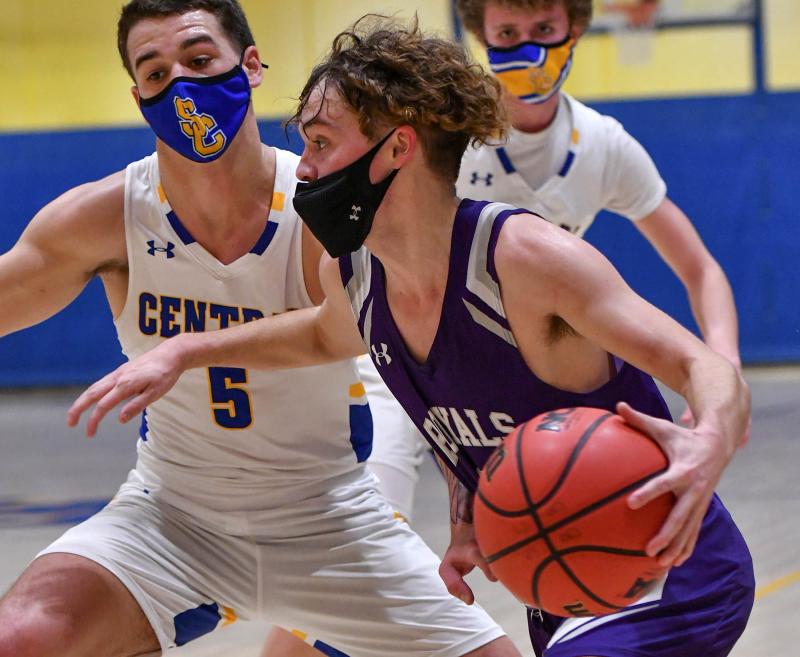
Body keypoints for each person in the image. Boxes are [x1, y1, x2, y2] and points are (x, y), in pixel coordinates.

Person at [68, 16, 755, 657]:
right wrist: (185, 349)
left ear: (397, 146)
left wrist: (710, 440)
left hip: (667, 570)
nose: (302, 169)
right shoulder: (360, 276)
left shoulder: (521, 259)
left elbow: (701, 366)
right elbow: (316, 336)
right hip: (566, 582)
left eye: (318, 141)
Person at [0, 3, 523, 657]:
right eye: (156, 73)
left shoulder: (322, 205)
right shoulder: (106, 217)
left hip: (327, 520)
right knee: (20, 636)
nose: (180, 86)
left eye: (198, 60)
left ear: (249, 67)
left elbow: (414, 356)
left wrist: (462, 483)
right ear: (140, 99)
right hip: (170, 517)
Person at [363, 0, 743, 521]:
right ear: (482, 37)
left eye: (543, 29)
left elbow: (700, 269)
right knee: (381, 513)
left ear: (575, 29)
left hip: (517, 353)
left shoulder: (604, 146)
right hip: (410, 336)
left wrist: (725, 366)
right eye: (508, 32)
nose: (526, 47)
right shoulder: (443, 136)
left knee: (585, 531)